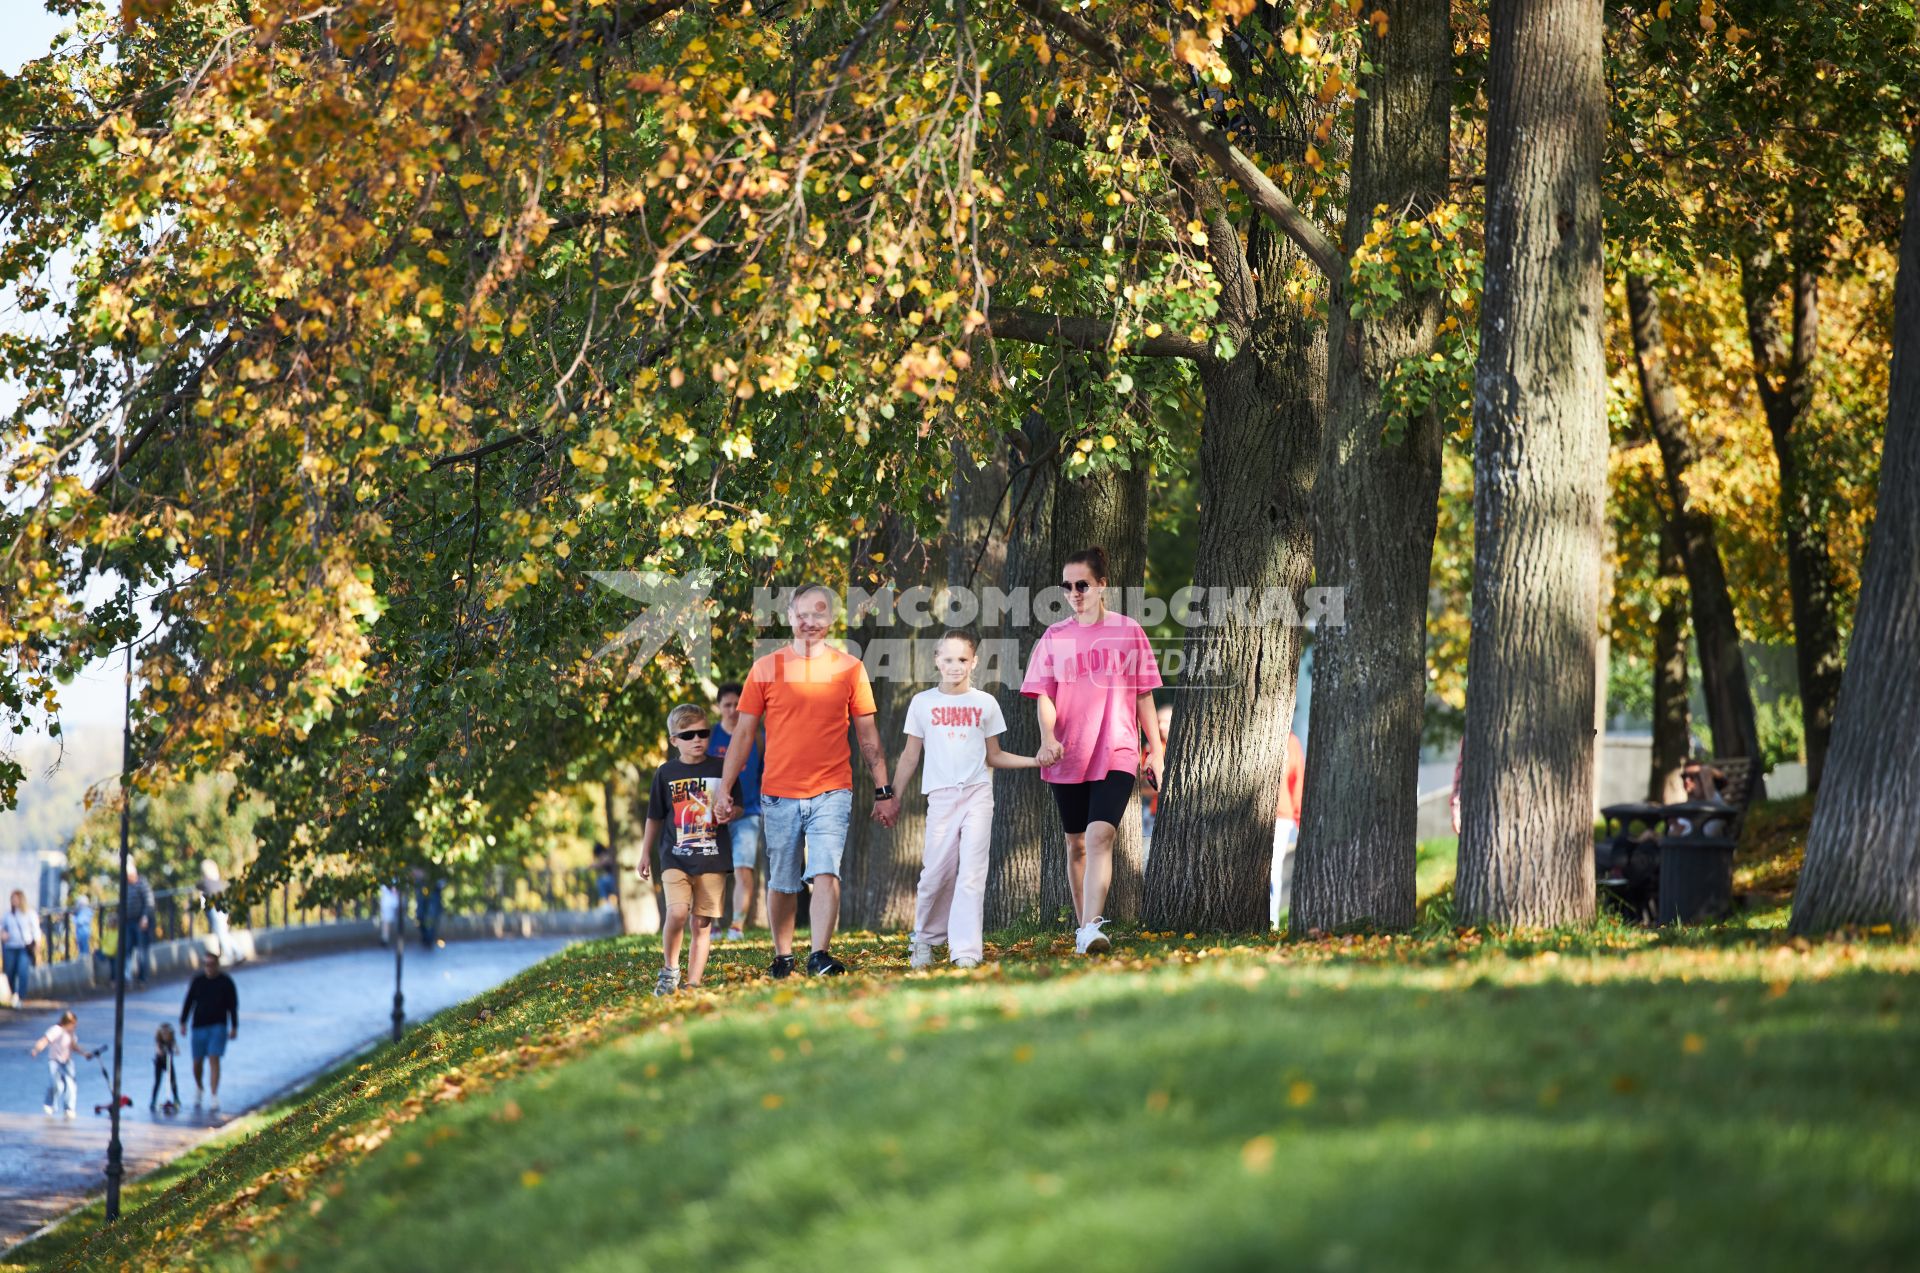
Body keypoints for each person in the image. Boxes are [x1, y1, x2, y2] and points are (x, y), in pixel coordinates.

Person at [715, 582, 898, 979]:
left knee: (825, 870)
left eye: (818, 614)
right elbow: (744, 734)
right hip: (779, 793)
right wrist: (725, 788)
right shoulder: (766, 667)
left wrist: (884, 790)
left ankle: (819, 954)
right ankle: (783, 957)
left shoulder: (850, 668)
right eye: (802, 614)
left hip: (833, 789)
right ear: (789, 617)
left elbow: (867, 736)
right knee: (781, 881)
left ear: (830, 619)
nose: (809, 621)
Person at [1020, 546, 1164, 956]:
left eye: (1082, 584)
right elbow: (1043, 696)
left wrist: (1155, 749)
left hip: (1117, 748)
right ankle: (1085, 932)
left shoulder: (1128, 631)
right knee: (1076, 844)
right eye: (1067, 586)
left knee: (1102, 834)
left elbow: (1143, 695)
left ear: (1102, 585)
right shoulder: (1054, 637)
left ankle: (1091, 927)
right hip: (1069, 753)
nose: (1074, 593)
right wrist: (1048, 738)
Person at [896, 632, 1041, 971]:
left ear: (974, 662)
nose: (955, 666)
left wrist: (1034, 761)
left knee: (972, 874)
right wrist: (893, 796)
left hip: (977, 794)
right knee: (936, 872)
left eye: (962, 659)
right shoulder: (922, 703)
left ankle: (966, 950)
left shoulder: (985, 703)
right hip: (942, 797)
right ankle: (924, 940)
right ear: (936, 660)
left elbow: (995, 755)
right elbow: (908, 757)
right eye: (948, 659)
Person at [636, 704, 743, 996]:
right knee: (679, 912)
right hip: (675, 856)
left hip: (713, 857)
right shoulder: (665, 773)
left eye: (703, 733)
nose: (697, 740)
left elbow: (739, 805)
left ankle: (693, 983)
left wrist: (729, 813)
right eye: (688, 735)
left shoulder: (722, 768)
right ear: (674, 741)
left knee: (702, 922)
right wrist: (646, 853)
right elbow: (655, 816)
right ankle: (670, 970)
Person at [710, 681, 765, 942]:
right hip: (714, 815)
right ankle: (712, 924)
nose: (732, 710)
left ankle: (737, 926)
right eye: (727, 705)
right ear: (719, 707)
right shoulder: (709, 738)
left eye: (736, 704)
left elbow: (765, 773)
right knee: (712, 870)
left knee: (743, 869)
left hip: (748, 813)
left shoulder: (756, 736)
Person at [180, 948, 239, 1111]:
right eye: (205, 964)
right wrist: (183, 1022)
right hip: (198, 1026)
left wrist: (234, 1026)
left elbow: (233, 1006)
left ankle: (214, 1095)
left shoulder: (226, 982)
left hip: (218, 1026)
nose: (208, 968)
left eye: (211, 964)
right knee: (197, 1062)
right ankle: (199, 1087)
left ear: (217, 965)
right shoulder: (197, 981)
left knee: (214, 1058)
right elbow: (189, 1001)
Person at [1270, 731, 1306, 927]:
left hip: (1281, 816)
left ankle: (1271, 921)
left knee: (1272, 869)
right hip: (1249, 812)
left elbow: (1297, 780)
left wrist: (1300, 821)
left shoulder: (1291, 741)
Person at [29, 1009, 93, 1118]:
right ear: (67, 1023)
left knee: (71, 1085)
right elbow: (44, 1040)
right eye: (73, 1025)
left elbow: (73, 1047)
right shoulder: (56, 1030)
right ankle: (49, 1104)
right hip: (55, 1061)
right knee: (57, 1085)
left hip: (67, 1062)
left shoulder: (71, 1033)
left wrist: (84, 1054)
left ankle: (69, 1108)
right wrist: (36, 1049)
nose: (74, 1027)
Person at [3, 890, 41, 1008]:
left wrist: (37, 945)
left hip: (24, 947)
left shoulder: (29, 913)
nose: (14, 901)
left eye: (16, 898)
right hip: (10, 946)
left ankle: (21, 996)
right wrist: (3, 934)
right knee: (10, 972)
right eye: (12, 899)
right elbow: (1, 926)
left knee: (22, 971)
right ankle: (14, 994)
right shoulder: (8, 915)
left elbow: (36, 930)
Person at [122, 862, 157, 986]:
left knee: (142, 950)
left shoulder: (142, 884)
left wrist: (145, 917)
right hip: (128, 921)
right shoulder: (125, 886)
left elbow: (149, 902)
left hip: (140, 921)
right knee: (127, 949)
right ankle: (127, 977)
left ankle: (143, 978)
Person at [198, 859, 235, 964]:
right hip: (221, 910)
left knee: (222, 933)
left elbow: (203, 899)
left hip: (216, 911)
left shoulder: (207, 885)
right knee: (223, 933)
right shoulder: (219, 883)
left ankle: (232, 954)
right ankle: (233, 953)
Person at [151, 1022, 182, 1112]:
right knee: (157, 1081)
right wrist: (160, 1052)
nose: (165, 1035)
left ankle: (176, 1098)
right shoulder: (158, 1041)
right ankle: (153, 1100)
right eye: (163, 1033)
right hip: (159, 1063)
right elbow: (157, 1049)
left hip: (169, 1062)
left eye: (166, 1033)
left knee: (173, 1081)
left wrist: (175, 1051)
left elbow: (177, 1051)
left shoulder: (172, 1041)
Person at [413, 869, 444, 951]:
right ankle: (426, 938)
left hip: (434, 889)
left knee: (431, 915)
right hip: (422, 886)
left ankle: (429, 940)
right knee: (420, 915)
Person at [72, 889, 94, 961]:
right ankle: (82, 960)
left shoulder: (87, 911)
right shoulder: (80, 911)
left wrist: (73, 918)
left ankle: (86, 961)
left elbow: (79, 921)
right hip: (79, 933)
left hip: (84, 933)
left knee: (85, 948)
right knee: (80, 948)